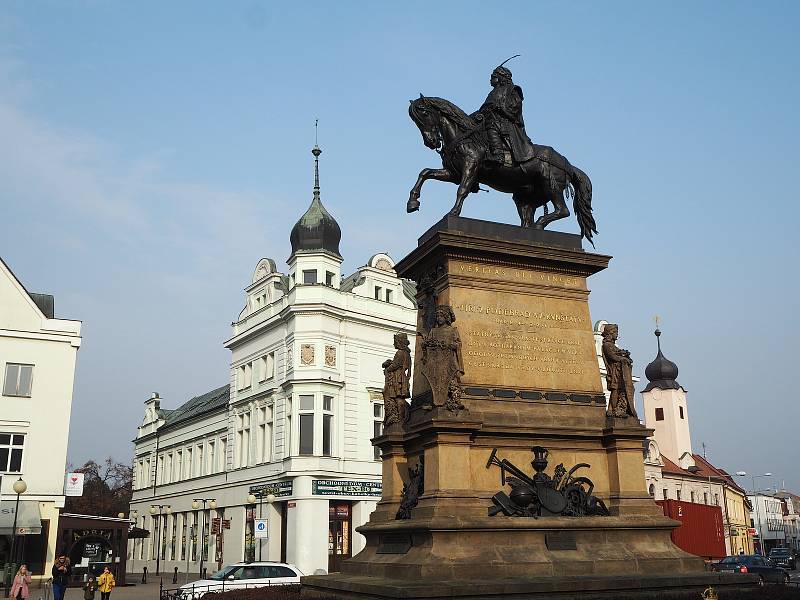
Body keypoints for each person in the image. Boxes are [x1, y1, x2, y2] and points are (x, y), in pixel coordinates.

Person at [474, 64, 536, 166]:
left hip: (505, 122)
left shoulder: (512, 89)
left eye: (493, 77)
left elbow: (516, 106)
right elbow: (484, 109)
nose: (490, 80)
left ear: (500, 77)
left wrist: (501, 108)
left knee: (491, 127)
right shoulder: (492, 93)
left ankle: (499, 155)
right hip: (492, 119)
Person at [382, 332, 412, 426]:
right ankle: (401, 416)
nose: (394, 344)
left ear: (399, 342)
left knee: (398, 397)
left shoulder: (399, 353)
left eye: (395, 341)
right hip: (402, 376)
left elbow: (395, 365)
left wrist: (387, 367)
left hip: (398, 377)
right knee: (399, 398)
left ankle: (400, 417)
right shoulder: (406, 353)